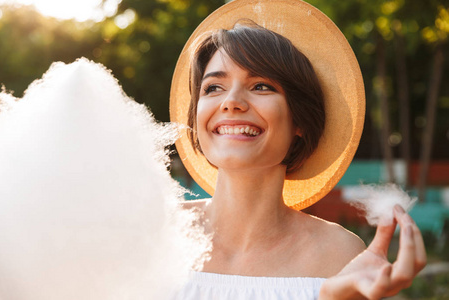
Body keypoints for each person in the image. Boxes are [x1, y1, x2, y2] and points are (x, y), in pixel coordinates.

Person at [169, 1, 426, 299]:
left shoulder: (342, 256)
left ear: (299, 121)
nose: (231, 102)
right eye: (213, 87)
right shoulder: (149, 231)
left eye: (261, 86)